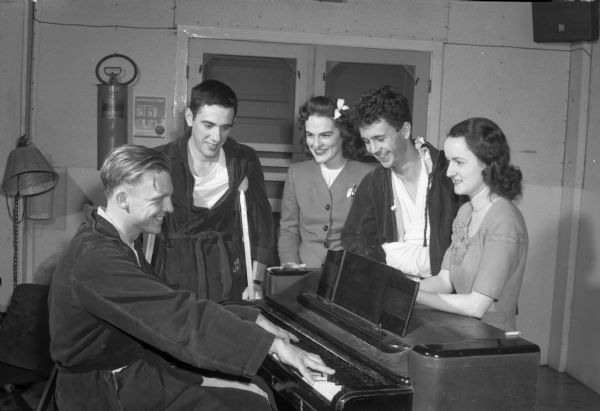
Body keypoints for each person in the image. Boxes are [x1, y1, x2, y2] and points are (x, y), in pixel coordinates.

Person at [48, 145, 333, 411]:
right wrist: (269, 345)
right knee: (251, 403)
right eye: (159, 199)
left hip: (129, 369)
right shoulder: (97, 258)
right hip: (105, 391)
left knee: (256, 389)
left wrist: (251, 319)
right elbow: (178, 317)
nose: (170, 208)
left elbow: (170, 300)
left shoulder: (115, 241)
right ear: (123, 200)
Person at [153, 79, 273, 302]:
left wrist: (255, 281)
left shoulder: (243, 159)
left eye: (225, 127)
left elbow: (261, 223)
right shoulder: (160, 161)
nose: (216, 138)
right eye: (208, 125)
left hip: (229, 273)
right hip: (175, 275)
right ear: (190, 117)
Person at [416, 117, 528, 332]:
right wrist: (399, 288)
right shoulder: (465, 211)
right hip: (463, 331)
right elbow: (444, 280)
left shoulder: (504, 221)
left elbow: (476, 306)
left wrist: (412, 296)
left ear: (487, 163)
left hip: (492, 340)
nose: (448, 172)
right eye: (448, 162)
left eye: (458, 162)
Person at [342, 85, 465, 279]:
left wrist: (396, 255)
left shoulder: (449, 174)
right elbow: (353, 239)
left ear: (405, 130)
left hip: (446, 294)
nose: (373, 149)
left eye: (380, 138)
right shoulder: (373, 184)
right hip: (395, 292)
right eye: (366, 141)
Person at [278, 96, 374, 269]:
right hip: (304, 275)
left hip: (349, 275)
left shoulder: (368, 175)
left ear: (343, 134)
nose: (316, 144)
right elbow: (288, 229)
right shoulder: (296, 173)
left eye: (325, 135)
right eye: (310, 135)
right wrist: (290, 265)